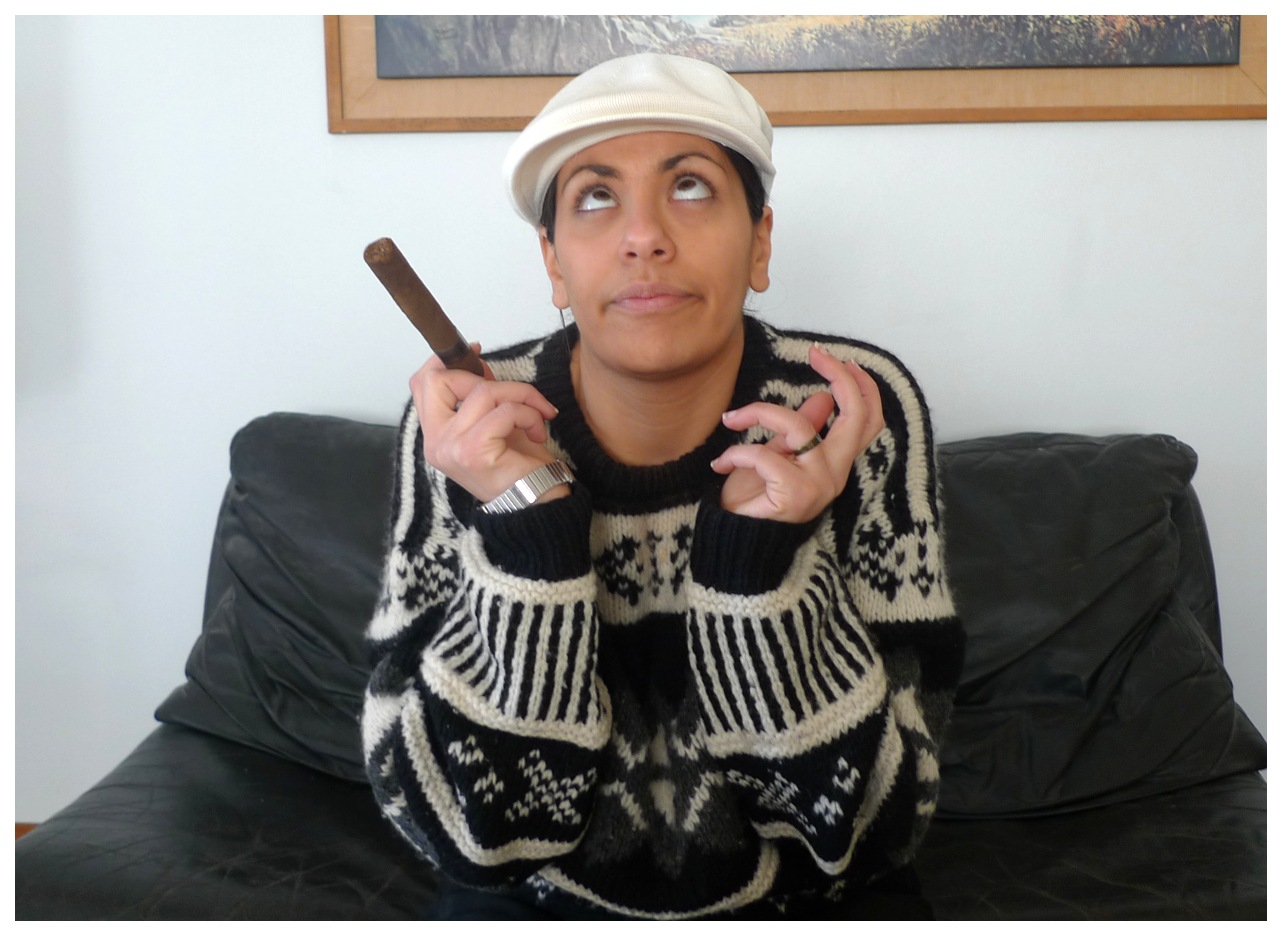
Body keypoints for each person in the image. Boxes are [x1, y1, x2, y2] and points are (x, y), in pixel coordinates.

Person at [361, 52, 964, 920]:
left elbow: (871, 832)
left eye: (689, 186)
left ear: (760, 241)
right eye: (595, 197)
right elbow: (471, 836)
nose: (643, 236)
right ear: (554, 262)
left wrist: (757, 568)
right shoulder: (461, 434)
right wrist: (527, 534)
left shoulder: (854, 411)